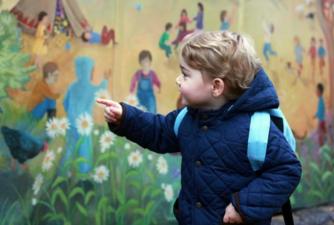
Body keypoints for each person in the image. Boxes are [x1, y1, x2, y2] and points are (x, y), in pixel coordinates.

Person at [97, 31, 301, 225]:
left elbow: (287, 170)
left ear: (216, 86)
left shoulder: (256, 129)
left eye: (185, 75)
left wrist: (243, 206)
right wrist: (125, 117)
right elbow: (158, 131)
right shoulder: (187, 117)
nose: (179, 81)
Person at [60, 56, 111, 177]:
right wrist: (105, 80)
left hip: (71, 124)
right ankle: (84, 174)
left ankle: (63, 174)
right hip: (84, 126)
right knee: (85, 149)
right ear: (89, 72)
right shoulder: (90, 88)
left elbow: (65, 102)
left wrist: (71, 115)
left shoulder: (72, 86)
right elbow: (101, 89)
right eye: (91, 70)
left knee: (69, 149)